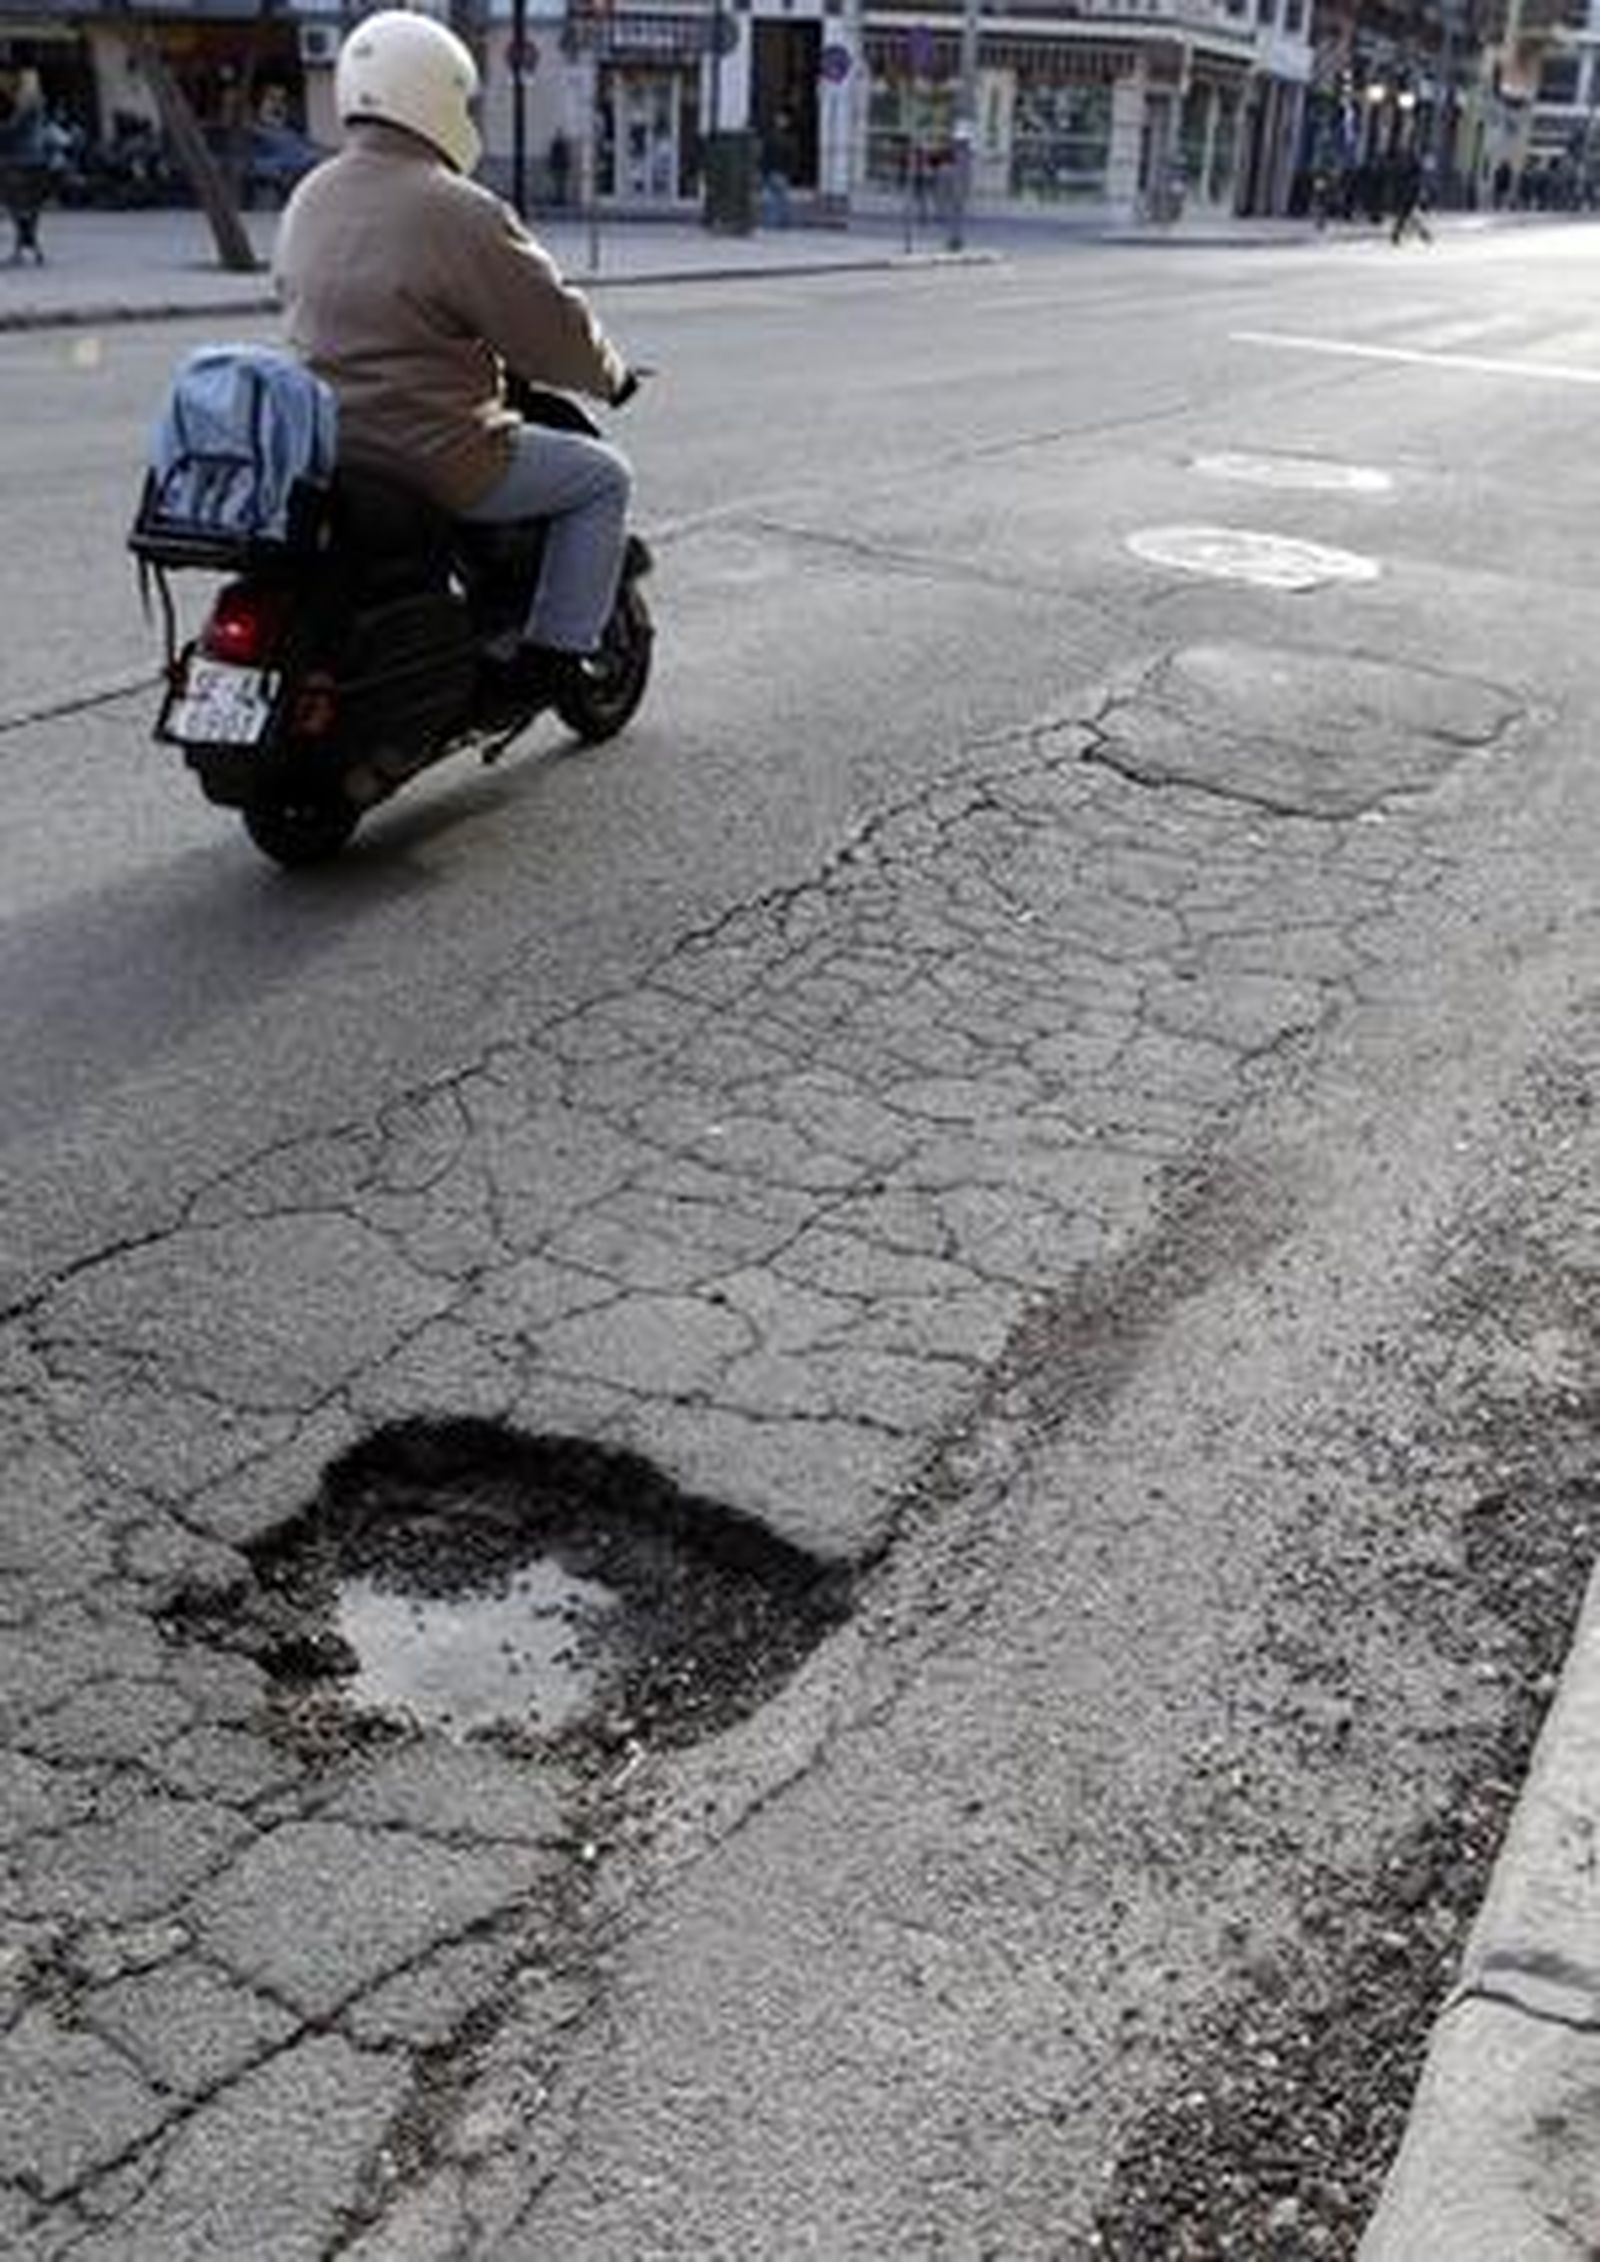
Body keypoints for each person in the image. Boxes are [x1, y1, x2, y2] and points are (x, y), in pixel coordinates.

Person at [274, 10, 639, 709]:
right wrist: (611, 374)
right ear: (434, 97)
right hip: (436, 455)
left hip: (329, 450)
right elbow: (549, 328)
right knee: (602, 479)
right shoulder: (457, 208)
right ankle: (555, 656)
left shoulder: (309, 195)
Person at [0, 64, 49, 265]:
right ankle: (27, 248)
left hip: (20, 161)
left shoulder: (28, 103)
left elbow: (13, 130)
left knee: (18, 205)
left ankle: (25, 247)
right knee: (26, 207)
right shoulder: (31, 102)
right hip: (32, 160)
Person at [1390, 148, 1433, 246]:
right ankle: (1423, 235)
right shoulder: (1416, 174)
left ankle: (1397, 235)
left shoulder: (1410, 173)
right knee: (1409, 217)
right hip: (1411, 196)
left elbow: (1405, 182)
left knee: (1406, 217)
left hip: (1409, 196)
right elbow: (1417, 185)